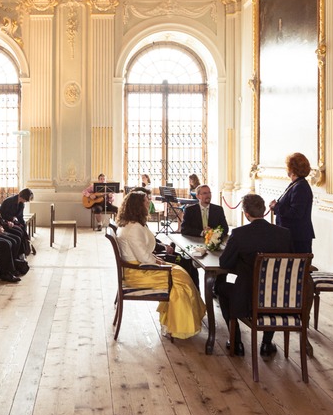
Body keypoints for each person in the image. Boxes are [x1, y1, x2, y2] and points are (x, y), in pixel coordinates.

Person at [116, 190, 206, 339]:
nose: (149, 203)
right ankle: (177, 325)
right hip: (137, 274)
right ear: (138, 206)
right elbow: (143, 256)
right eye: (146, 201)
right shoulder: (134, 228)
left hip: (139, 267)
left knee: (181, 272)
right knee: (181, 279)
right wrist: (159, 262)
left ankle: (176, 320)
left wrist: (158, 260)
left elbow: (143, 253)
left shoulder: (133, 224)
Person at [217, 193, 294, 358]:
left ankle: (236, 341)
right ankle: (266, 343)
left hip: (247, 296)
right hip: (277, 296)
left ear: (246, 213)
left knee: (220, 287)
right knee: (270, 293)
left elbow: (224, 263)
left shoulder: (239, 234)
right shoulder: (284, 234)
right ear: (264, 209)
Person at [270, 152, 315, 256]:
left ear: (292, 169)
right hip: (292, 235)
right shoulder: (296, 184)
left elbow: (296, 213)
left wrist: (276, 207)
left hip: (297, 237)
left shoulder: (300, 187)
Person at [0, 188, 34, 254]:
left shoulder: (21, 204)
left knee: (22, 230)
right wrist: (12, 218)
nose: (26, 201)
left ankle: (21, 252)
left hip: (13, 222)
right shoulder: (9, 201)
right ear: (23, 196)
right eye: (26, 200)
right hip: (5, 222)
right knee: (19, 232)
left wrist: (24, 226)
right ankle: (20, 253)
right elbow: (1, 215)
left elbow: (20, 217)